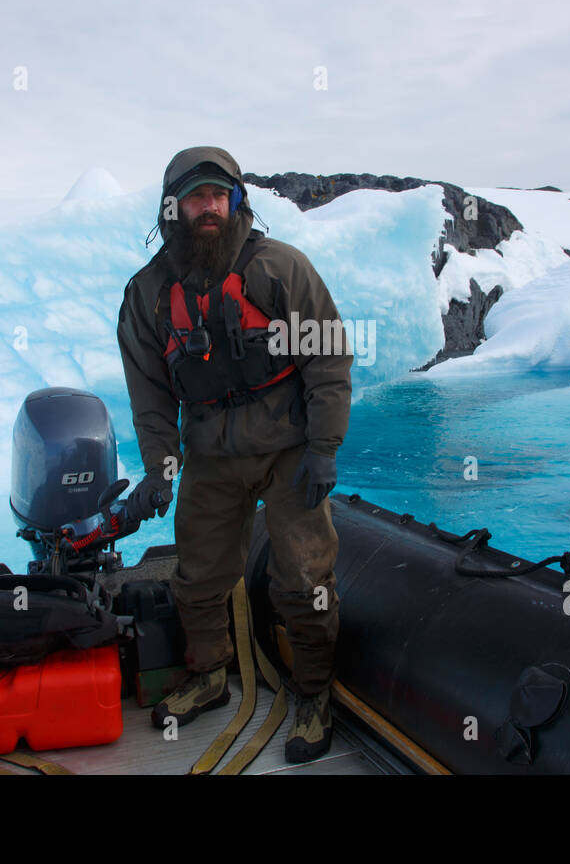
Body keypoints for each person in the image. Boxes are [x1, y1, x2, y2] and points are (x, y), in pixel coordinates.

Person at [115, 146, 352, 763]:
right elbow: (150, 396)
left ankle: (312, 693)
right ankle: (210, 676)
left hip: (288, 448)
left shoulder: (279, 268)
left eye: (220, 195)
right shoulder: (146, 296)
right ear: (174, 208)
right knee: (196, 578)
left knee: (303, 577)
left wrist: (324, 449)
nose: (211, 207)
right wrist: (161, 467)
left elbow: (328, 361)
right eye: (197, 197)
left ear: (236, 200)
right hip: (212, 452)